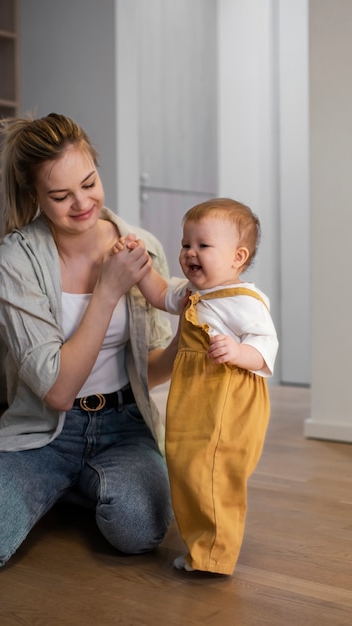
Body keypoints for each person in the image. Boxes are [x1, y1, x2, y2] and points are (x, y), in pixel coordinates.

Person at [0, 112, 179, 572]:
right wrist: (107, 291)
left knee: (139, 531)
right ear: (34, 196)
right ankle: (64, 480)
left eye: (89, 183)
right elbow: (58, 391)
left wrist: (186, 343)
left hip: (125, 424)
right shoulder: (14, 264)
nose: (82, 204)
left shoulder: (141, 245)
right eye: (61, 195)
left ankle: (79, 485)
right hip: (46, 431)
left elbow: (147, 368)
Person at [114, 198, 279, 575]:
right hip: (193, 397)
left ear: (237, 257)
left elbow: (266, 346)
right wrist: (139, 261)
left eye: (203, 245)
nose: (190, 253)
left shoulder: (243, 301)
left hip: (226, 399)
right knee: (185, 463)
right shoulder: (192, 292)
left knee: (214, 471)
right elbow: (157, 293)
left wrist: (239, 351)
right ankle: (202, 541)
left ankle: (213, 556)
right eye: (186, 244)